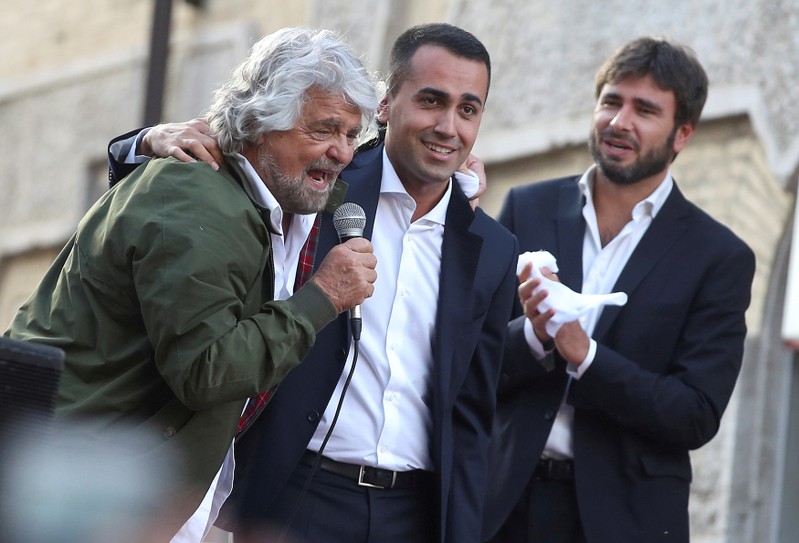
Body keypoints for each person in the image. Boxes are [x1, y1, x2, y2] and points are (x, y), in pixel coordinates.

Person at [110, 22, 518, 543]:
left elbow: (471, 411)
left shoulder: (492, 247)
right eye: (432, 101)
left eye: (468, 109)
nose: (448, 125)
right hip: (294, 495)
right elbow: (209, 181)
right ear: (387, 105)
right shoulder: (315, 183)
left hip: (415, 511)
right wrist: (143, 141)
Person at [5, 27, 380, 542]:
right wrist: (322, 298)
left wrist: (446, 187)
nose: (341, 153)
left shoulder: (273, 192)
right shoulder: (198, 200)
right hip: (75, 491)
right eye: (323, 130)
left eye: (351, 135)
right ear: (259, 125)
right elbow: (206, 370)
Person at [481, 37, 756, 543]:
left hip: (625, 520)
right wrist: (536, 337)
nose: (619, 121)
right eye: (612, 101)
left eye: (645, 109)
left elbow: (694, 414)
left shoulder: (719, 256)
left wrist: (587, 357)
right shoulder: (528, 207)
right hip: (499, 504)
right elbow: (470, 361)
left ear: (682, 134)